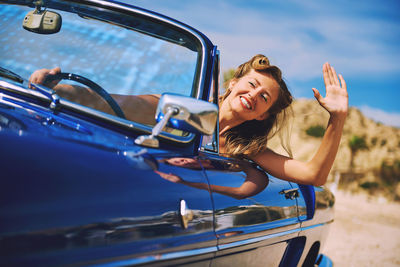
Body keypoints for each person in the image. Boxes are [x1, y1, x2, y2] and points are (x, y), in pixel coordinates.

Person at [29, 54, 348, 187]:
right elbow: (109, 102)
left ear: (263, 114)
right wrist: (58, 88)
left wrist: (337, 117)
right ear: (232, 84)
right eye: (252, 84)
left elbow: (313, 175)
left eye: (265, 98)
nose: (255, 95)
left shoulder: (245, 149)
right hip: (124, 178)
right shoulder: (171, 109)